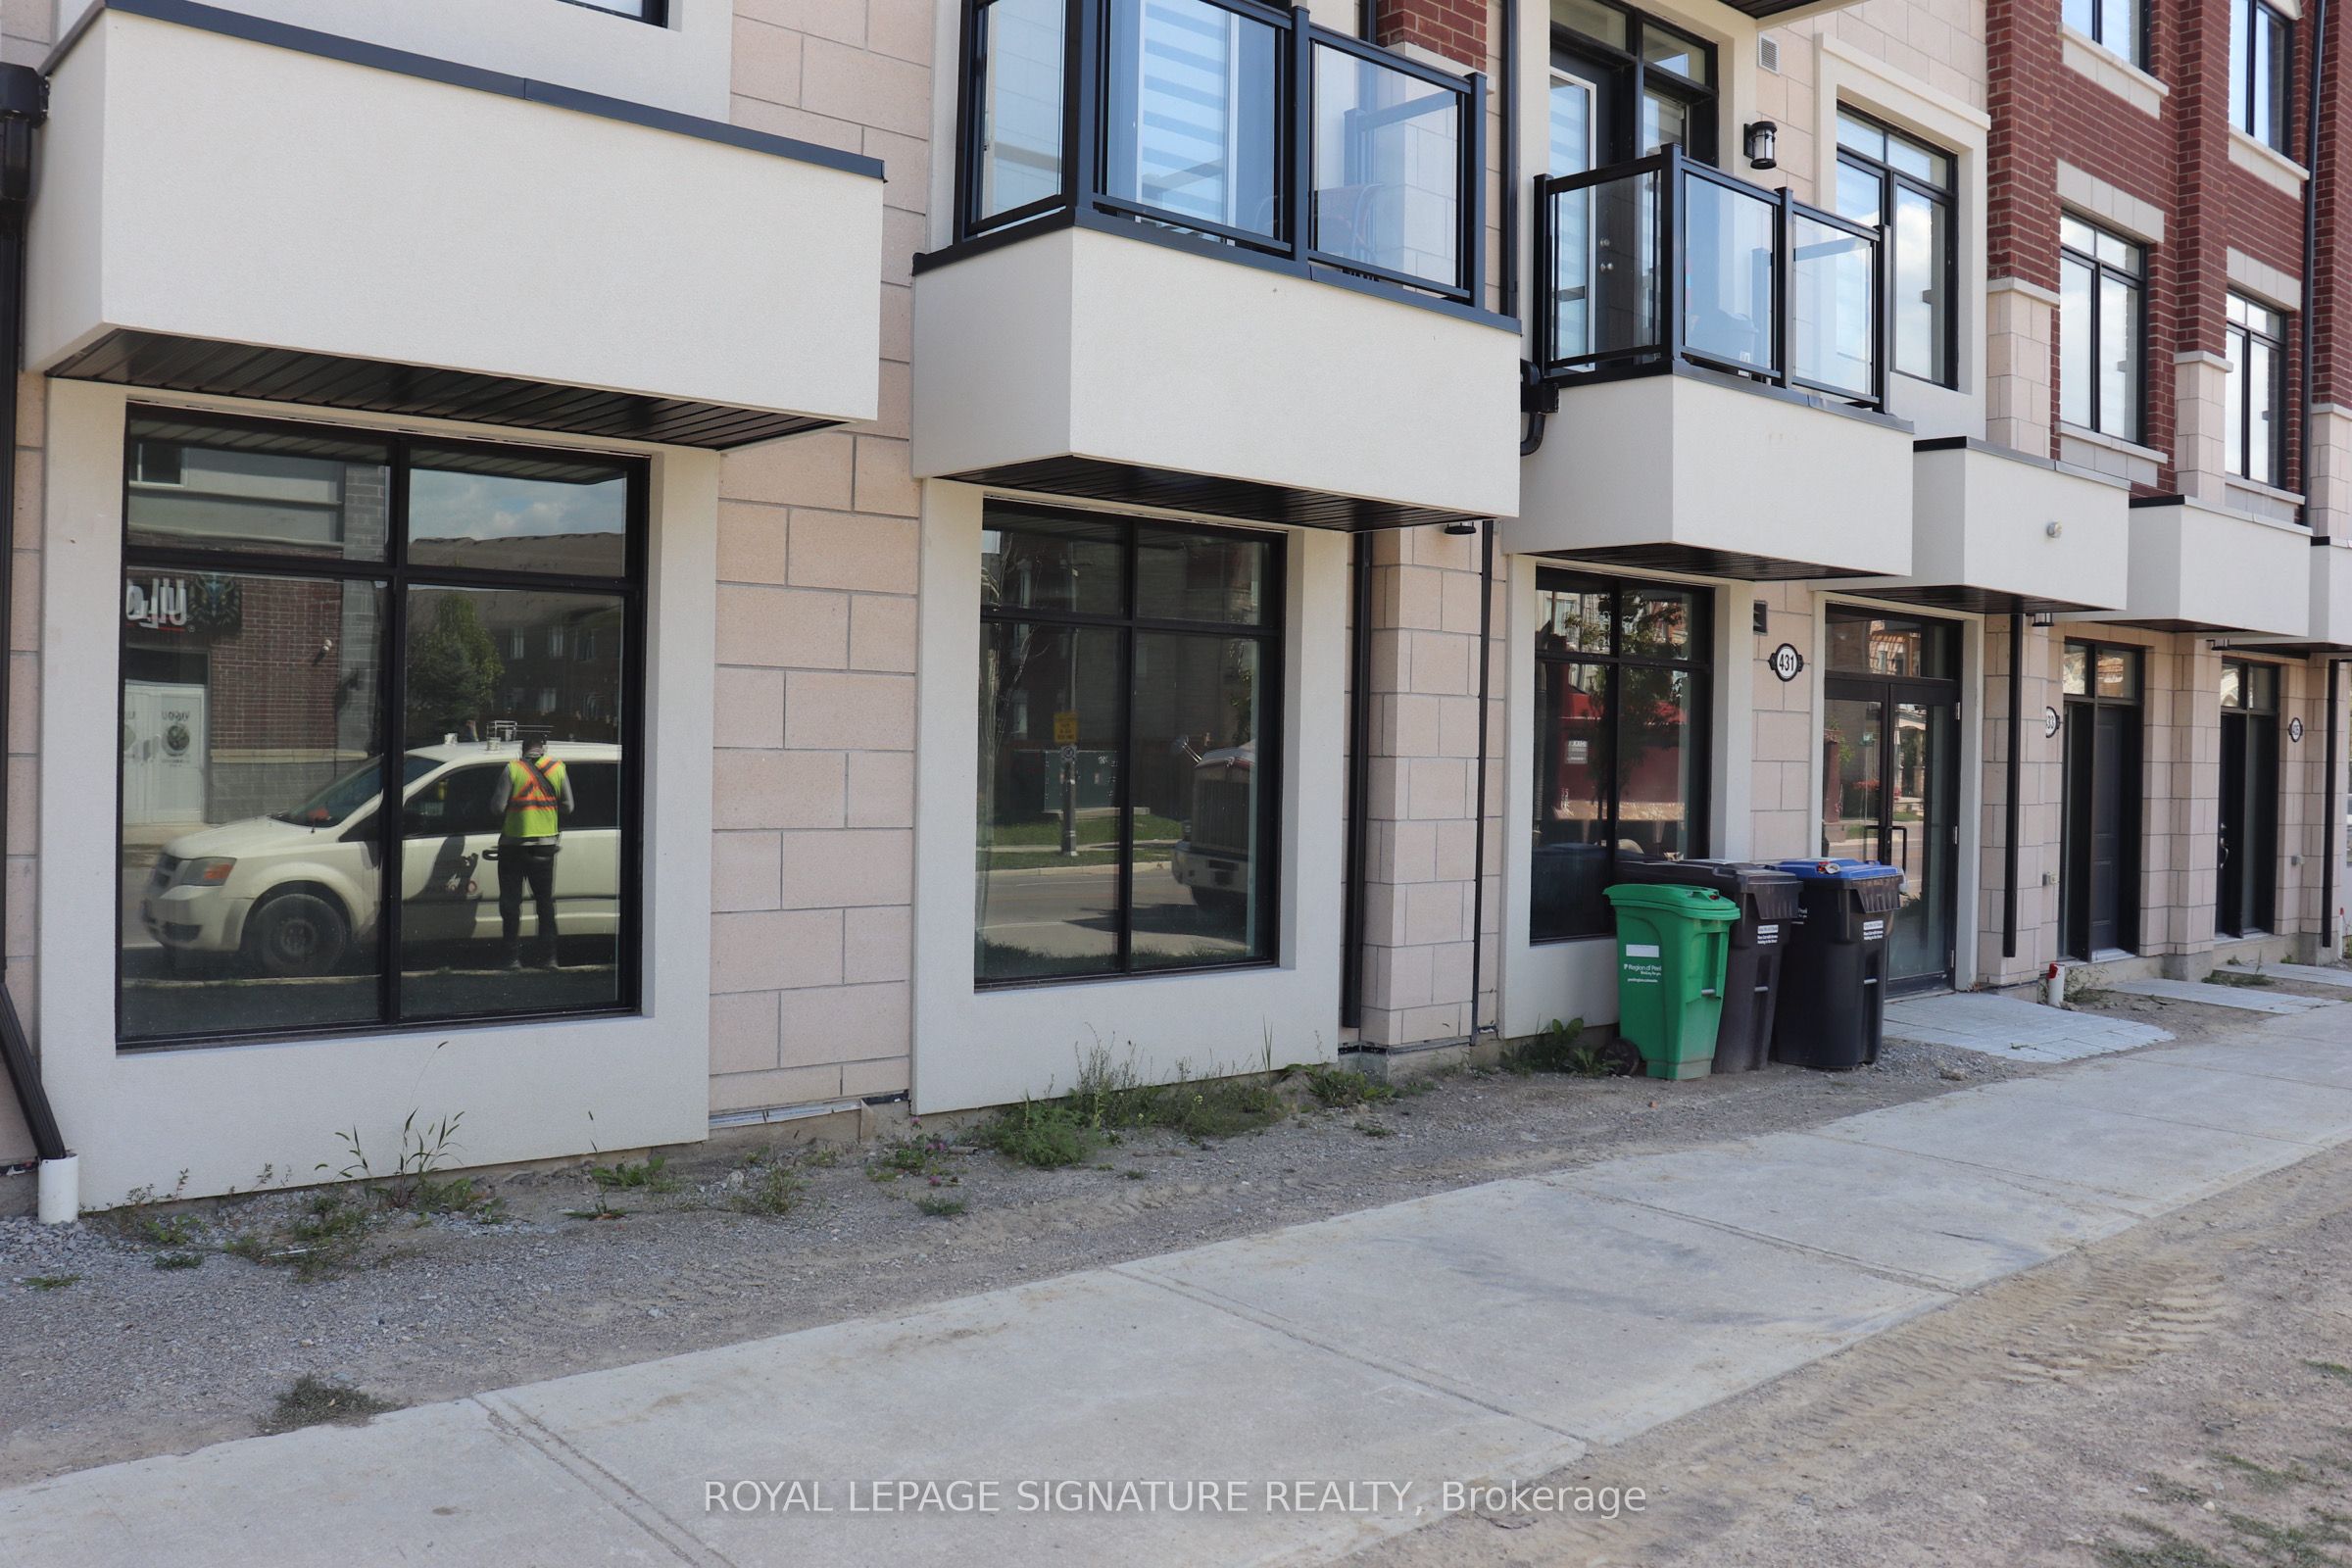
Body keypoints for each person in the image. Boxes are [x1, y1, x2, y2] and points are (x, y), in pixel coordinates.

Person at [489, 734, 572, 969]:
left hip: (513, 846)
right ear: (542, 749)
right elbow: (569, 806)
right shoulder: (558, 768)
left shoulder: (513, 769)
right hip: (545, 845)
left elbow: (497, 808)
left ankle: (512, 958)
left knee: (511, 904)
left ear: (522, 749)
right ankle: (549, 958)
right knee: (544, 903)